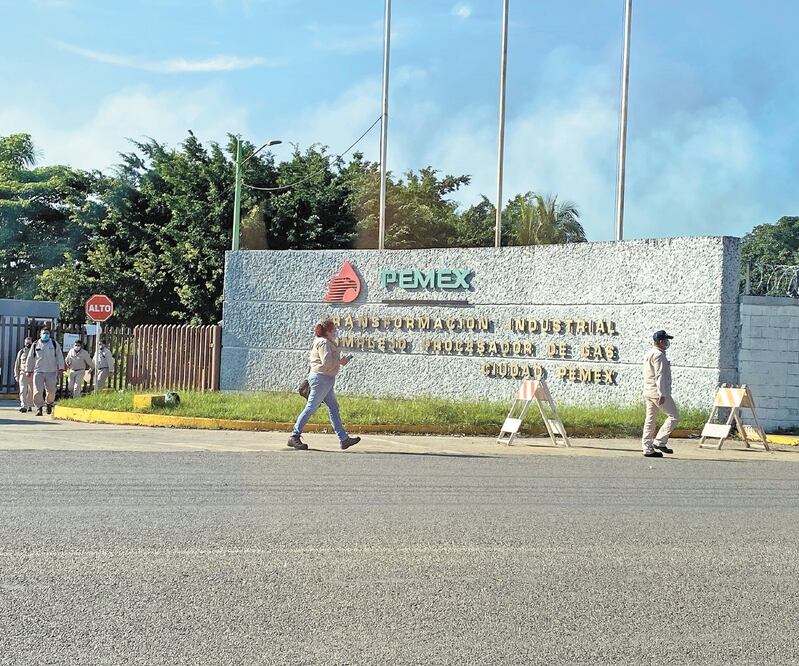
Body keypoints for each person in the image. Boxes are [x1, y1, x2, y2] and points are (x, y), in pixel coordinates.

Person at [288, 320, 361, 451]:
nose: (336, 331)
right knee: (311, 407)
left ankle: (344, 439)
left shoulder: (326, 342)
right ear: (328, 331)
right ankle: (294, 436)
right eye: (334, 329)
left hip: (326, 379)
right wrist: (340, 362)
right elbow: (327, 362)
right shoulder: (323, 343)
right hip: (321, 379)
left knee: (333, 407)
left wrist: (338, 362)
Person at [641, 329, 680, 458]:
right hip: (658, 392)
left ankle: (647, 448)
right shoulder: (659, 355)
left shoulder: (649, 353)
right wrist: (662, 394)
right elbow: (660, 376)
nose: (667, 343)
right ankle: (659, 441)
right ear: (660, 341)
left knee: (650, 420)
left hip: (648, 391)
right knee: (674, 416)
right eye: (665, 340)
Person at [24, 325, 65, 416]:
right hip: (38, 371)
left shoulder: (54, 344)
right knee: (37, 391)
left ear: (49, 334)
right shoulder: (35, 344)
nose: (45, 335)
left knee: (51, 391)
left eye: (47, 333)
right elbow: (30, 358)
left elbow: (59, 356)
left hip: (51, 371)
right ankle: (39, 408)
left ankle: (49, 403)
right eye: (44, 333)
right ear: (40, 334)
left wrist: (61, 368)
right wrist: (28, 370)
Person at [14, 337, 34, 413]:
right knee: (22, 390)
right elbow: (17, 364)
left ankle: (29, 405)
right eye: (26, 343)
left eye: (29, 343)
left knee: (31, 390)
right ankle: (23, 405)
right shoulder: (21, 352)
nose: (28, 344)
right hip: (23, 373)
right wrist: (16, 375)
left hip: (32, 373)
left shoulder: (34, 352)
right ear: (24, 343)